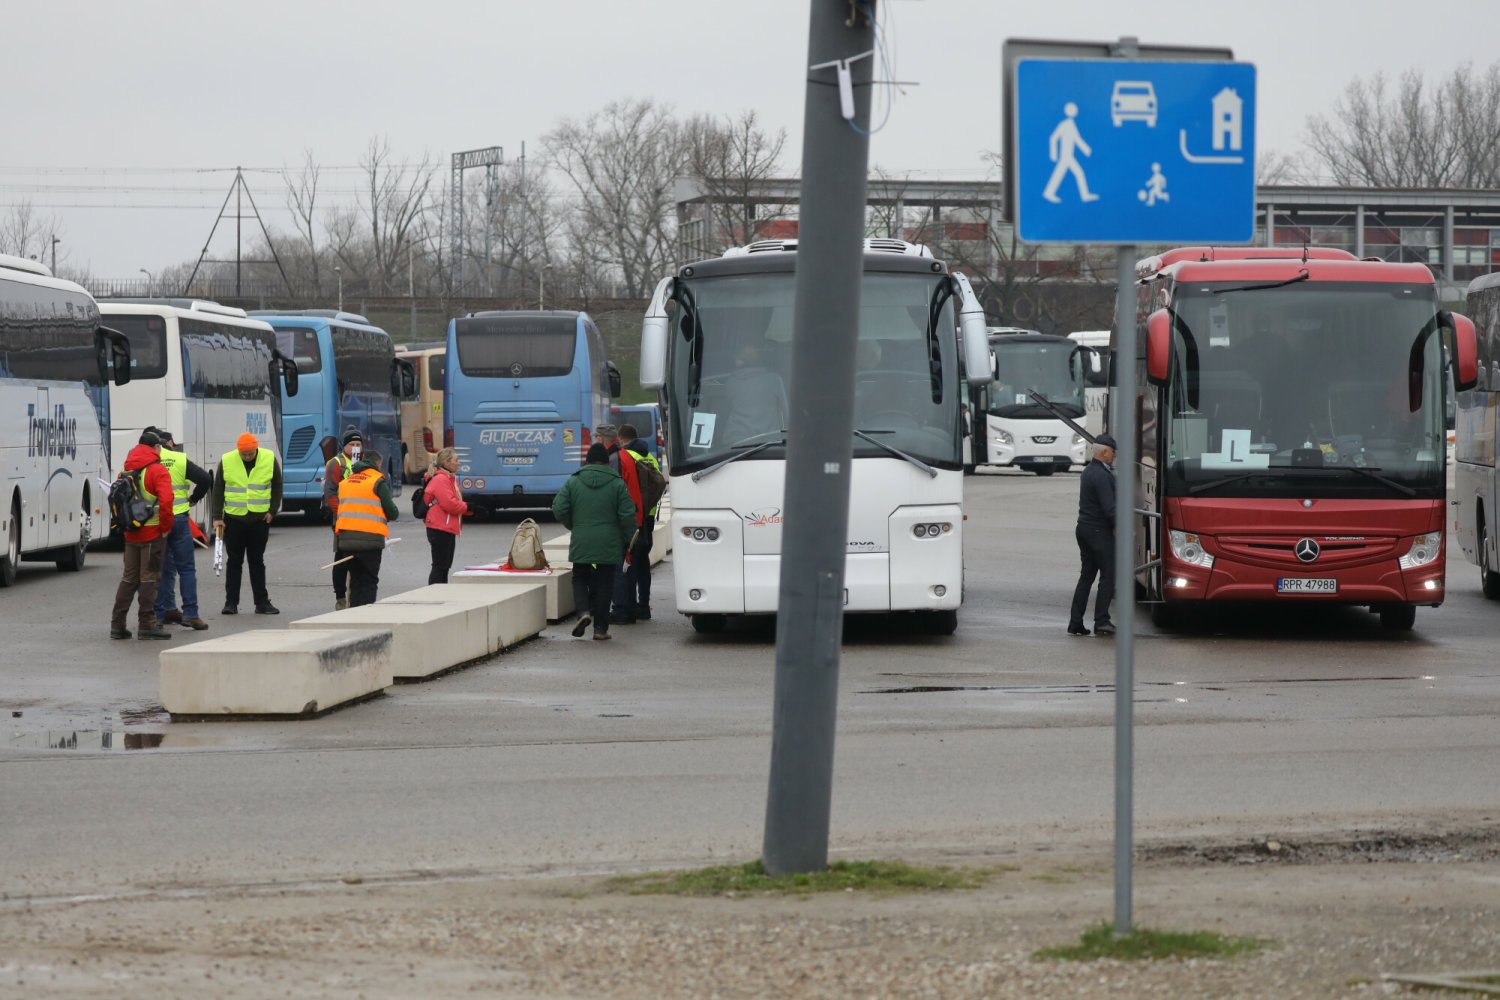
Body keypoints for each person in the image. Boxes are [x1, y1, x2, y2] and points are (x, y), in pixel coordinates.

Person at [552, 442, 635, 641]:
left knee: (580, 576)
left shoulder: (574, 482)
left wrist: (575, 525)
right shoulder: (617, 483)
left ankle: (583, 612)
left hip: (582, 537)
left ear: (587, 461)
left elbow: (558, 508)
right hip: (609, 541)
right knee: (605, 582)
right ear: (607, 463)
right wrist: (628, 538)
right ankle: (600, 629)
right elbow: (627, 515)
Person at [109, 431, 176, 640]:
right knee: (150, 578)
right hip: (152, 533)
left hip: (131, 533)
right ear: (156, 448)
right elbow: (166, 501)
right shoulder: (157, 470)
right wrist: (166, 527)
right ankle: (147, 623)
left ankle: (117, 625)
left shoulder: (127, 468)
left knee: (129, 579)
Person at [211, 432, 283, 616]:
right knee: (234, 562)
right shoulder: (227, 460)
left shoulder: (268, 458)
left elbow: (277, 484)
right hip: (234, 520)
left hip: (259, 521)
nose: (248, 456)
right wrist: (217, 517)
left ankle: (262, 603)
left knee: (257, 562)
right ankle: (231, 603)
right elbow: (218, 489)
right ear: (239, 450)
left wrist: (272, 511)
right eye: (244, 454)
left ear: (256, 448)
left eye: (250, 453)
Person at [148, 428, 212, 630]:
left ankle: (159, 614)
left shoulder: (147, 461)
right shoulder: (178, 459)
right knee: (186, 568)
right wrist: (194, 499)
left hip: (156, 520)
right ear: (166, 443)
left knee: (162, 569)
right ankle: (191, 614)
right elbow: (205, 479)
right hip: (179, 519)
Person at [608, 422, 660, 623]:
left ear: (621, 439)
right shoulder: (650, 456)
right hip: (649, 516)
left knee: (627, 562)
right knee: (642, 563)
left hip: (635, 516)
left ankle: (627, 606)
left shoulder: (627, 457)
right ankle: (644, 606)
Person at [334, 448, 399, 606]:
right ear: (378, 463)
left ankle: (355, 616)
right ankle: (366, 617)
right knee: (369, 582)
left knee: (355, 582)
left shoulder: (346, 482)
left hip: (347, 541)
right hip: (370, 541)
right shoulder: (377, 481)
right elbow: (392, 512)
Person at [1068, 433, 1118, 637]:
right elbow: (1110, 509)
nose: (1114, 457)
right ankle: (1102, 621)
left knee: (1087, 576)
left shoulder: (1088, 471)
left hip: (1084, 529)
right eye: (1113, 453)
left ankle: (1075, 622)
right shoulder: (1101, 476)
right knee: (1109, 575)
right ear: (1104, 452)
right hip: (1098, 531)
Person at [323, 430, 363, 610]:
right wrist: (341, 515)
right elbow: (330, 493)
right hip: (342, 519)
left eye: (358, 444)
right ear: (344, 446)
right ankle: (340, 598)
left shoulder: (363, 463)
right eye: (352, 445)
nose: (355, 448)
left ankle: (355, 595)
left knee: (358, 558)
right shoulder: (336, 463)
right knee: (341, 558)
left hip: (362, 519)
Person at [422, 447, 473, 584]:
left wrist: (468, 509)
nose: (459, 463)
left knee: (444, 566)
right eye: (456, 460)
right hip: (439, 528)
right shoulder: (441, 480)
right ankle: (435, 595)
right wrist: (468, 507)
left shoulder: (449, 478)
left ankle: (439, 593)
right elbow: (450, 504)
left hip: (445, 527)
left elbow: (454, 501)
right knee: (440, 566)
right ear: (446, 463)